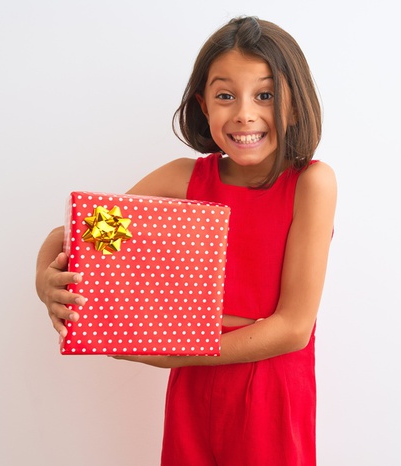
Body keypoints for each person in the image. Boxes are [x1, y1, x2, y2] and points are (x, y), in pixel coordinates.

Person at [35, 16, 336, 466]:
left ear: (295, 102)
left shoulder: (312, 183)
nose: (245, 113)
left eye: (266, 94)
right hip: (192, 384)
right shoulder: (182, 180)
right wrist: (45, 279)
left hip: (271, 392)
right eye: (225, 96)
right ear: (204, 104)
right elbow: (78, 236)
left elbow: (293, 328)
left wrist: (166, 356)